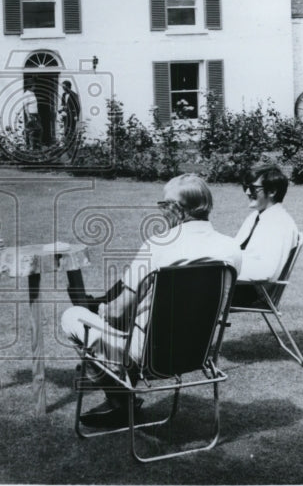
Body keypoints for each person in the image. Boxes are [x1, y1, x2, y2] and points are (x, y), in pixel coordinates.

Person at [61, 173, 241, 427]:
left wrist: (99, 308)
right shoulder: (231, 248)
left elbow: (117, 311)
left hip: (148, 356)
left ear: (177, 209)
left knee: (72, 317)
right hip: (198, 352)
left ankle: (119, 399)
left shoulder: (158, 245)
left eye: (164, 205)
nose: (162, 211)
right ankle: (117, 394)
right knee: (131, 314)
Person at [235, 165, 300, 283]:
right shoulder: (256, 217)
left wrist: (225, 272)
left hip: (251, 290)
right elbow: (235, 249)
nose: (247, 192)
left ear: (272, 191)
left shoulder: (280, 225)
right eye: (245, 187)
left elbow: (265, 272)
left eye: (253, 188)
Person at [60, 80, 81, 144]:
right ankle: (66, 143)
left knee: (71, 129)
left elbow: (77, 106)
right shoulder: (63, 94)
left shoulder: (74, 95)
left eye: (64, 86)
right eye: (62, 86)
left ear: (68, 87)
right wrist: (62, 110)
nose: (63, 88)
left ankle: (71, 144)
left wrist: (76, 115)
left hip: (72, 115)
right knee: (65, 129)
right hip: (65, 115)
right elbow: (63, 104)